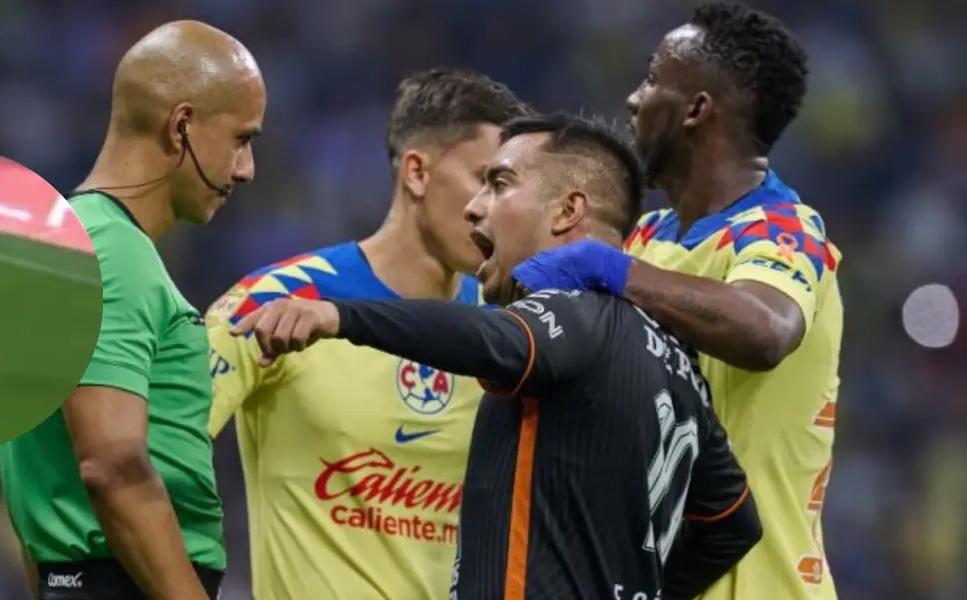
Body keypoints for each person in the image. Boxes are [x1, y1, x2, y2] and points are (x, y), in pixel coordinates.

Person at [232, 113, 763, 600]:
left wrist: (340, 315)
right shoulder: (678, 360)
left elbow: (494, 341)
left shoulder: (576, 312)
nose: (474, 205)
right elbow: (733, 522)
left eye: (500, 183)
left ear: (568, 211)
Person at [513, 4, 841, 600]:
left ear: (695, 110)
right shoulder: (645, 239)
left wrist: (610, 270)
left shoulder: (784, 230)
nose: (633, 99)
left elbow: (766, 329)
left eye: (650, 79)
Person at [205, 68, 533, 600]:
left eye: (506, 189)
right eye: (484, 180)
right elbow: (157, 448)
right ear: (417, 173)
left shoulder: (509, 333)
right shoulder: (278, 302)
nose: (490, 209)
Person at [0, 20, 266, 600]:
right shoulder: (110, 252)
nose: (246, 170)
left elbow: (41, 476)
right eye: (241, 140)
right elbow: (111, 464)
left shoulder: (60, 243)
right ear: (181, 125)